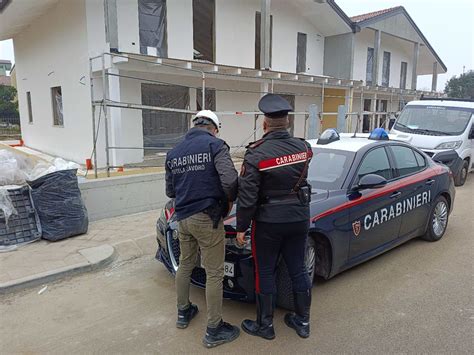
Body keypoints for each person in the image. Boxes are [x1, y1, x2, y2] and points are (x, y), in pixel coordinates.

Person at [235, 94, 313, 340]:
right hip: (299, 217)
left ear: (264, 124)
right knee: (298, 270)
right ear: (288, 123)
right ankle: (302, 322)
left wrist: (241, 227)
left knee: (265, 271)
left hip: (269, 222)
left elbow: (247, 197)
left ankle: (265, 326)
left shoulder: (256, 154)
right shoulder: (304, 148)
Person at [165, 110, 240, 348]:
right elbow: (230, 181)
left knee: (186, 263)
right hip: (207, 218)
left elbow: (170, 192)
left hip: (183, 218)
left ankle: (183, 312)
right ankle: (214, 328)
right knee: (214, 273)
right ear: (214, 128)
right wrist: (228, 204)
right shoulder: (216, 145)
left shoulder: (174, 152)